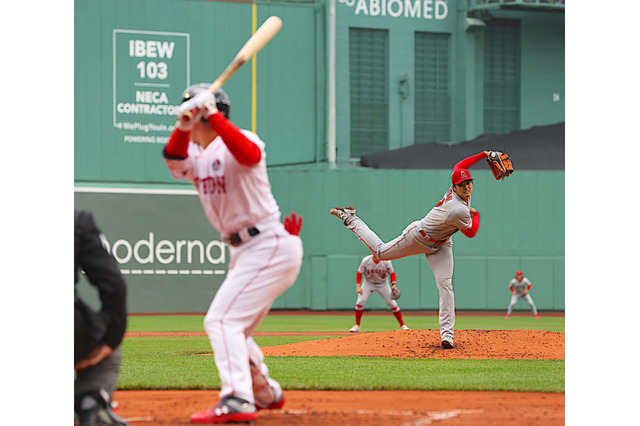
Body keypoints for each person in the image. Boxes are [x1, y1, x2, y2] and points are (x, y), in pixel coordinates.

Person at [163, 84, 303, 424]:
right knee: (235, 328)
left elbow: (248, 156)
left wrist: (210, 113)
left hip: (267, 242)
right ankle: (264, 391)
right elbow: (173, 158)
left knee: (221, 320)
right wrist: (183, 125)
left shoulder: (245, 140)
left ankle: (238, 398)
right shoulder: (195, 154)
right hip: (245, 250)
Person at [330, 151, 492, 349]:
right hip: (418, 237)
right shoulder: (458, 209)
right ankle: (351, 218)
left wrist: (484, 154)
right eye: (462, 185)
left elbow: (460, 165)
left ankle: (447, 336)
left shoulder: (459, 191)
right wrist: (477, 215)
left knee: (445, 284)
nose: (467, 187)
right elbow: (471, 233)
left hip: (442, 244)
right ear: (454, 187)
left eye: (469, 183)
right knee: (380, 253)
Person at [74, 209, 129, 426]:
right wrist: (110, 337)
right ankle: (91, 404)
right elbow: (113, 285)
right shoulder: (76, 221)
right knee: (107, 353)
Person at [348, 255, 409, 332]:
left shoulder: (386, 261)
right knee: (360, 301)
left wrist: (394, 285)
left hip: (382, 284)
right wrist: (358, 286)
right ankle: (357, 326)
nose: (376, 254)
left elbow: (392, 273)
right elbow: (359, 273)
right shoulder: (366, 260)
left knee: (392, 304)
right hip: (368, 283)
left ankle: (403, 325)